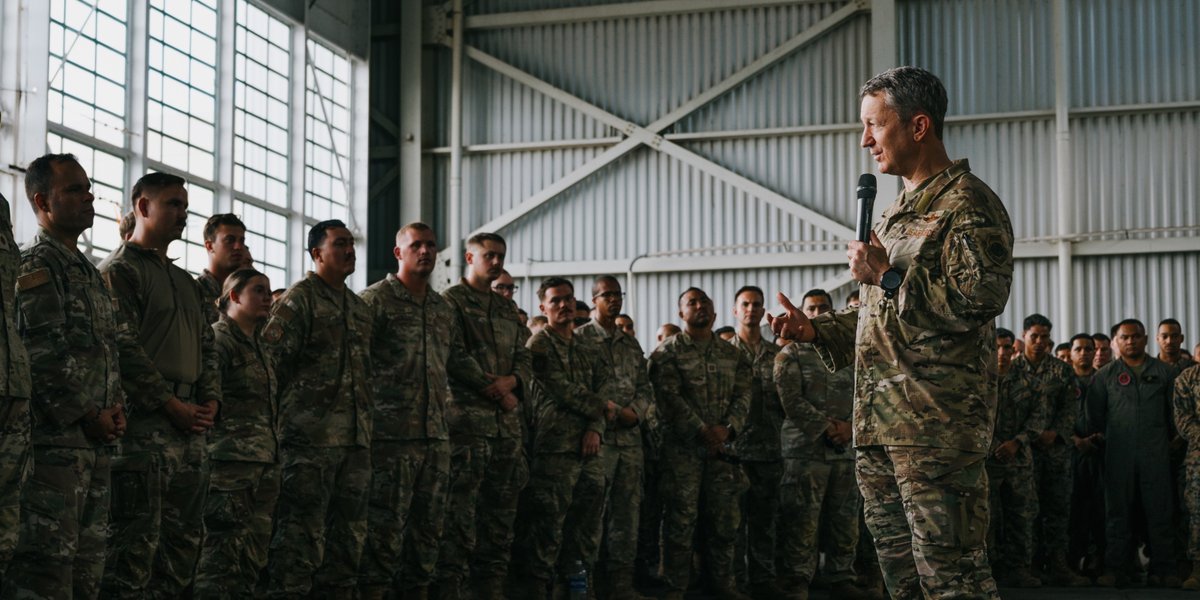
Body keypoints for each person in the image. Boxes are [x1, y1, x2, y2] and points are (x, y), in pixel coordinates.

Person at [768, 66, 1013, 598]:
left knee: (954, 581)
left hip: (936, 432)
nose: (865, 140)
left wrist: (885, 273)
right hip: (880, 430)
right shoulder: (898, 213)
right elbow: (881, 313)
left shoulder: (967, 204)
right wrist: (815, 330)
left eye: (874, 125)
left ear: (918, 126)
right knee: (902, 584)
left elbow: (978, 300)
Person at [98, 172, 220, 598]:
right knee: (132, 553)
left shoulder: (185, 282)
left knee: (182, 553)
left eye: (185, 206)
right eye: (172, 204)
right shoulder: (120, 271)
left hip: (191, 429)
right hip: (146, 430)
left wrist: (210, 401)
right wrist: (168, 402)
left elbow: (208, 345)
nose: (182, 214)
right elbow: (123, 346)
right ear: (143, 208)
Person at [5, 154, 120, 599]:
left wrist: (114, 410)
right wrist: (89, 413)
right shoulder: (36, 265)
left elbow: (107, 351)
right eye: (74, 189)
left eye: (88, 187)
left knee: (88, 572)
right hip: (55, 446)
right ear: (42, 201)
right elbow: (42, 352)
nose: (88, 196)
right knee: (46, 571)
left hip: (95, 444)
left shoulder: (89, 272)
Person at [263, 220, 373, 597]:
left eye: (351, 244)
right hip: (308, 443)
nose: (349, 250)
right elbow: (270, 363)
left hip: (355, 443)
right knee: (299, 542)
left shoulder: (358, 309)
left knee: (348, 543)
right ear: (316, 254)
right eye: (339, 244)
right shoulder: (300, 298)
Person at [359, 223, 456, 599]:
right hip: (390, 438)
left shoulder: (442, 308)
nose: (426, 251)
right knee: (383, 536)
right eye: (416, 245)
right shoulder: (375, 301)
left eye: (431, 245)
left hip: (435, 438)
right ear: (398, 253)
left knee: (428, 535)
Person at [436, 232, 531, 600]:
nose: (496, 261)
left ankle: (490, 591)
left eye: (501, 256)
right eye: (488, 255)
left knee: (500, 519)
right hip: (467, 427)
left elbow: (525, 355)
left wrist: (514, 381)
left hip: (506, 431)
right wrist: (492, 389)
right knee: (459, 518)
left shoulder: (506, 309)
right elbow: (454, 354)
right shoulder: (451, 303)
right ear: (469, 257)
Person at [649, 287, 752, 600]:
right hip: (682, 452)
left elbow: (744, 395)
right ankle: (674, 588)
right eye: (691, 303)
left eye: (704, 301)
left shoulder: (733, 354)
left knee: (724, 522)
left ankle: (722, 585)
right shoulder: (666, 352)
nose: (699, 306)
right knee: (680, 522)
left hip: (723, 452)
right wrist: (701, 430)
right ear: (681, 314)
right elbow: (666, 397)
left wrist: (727, 429)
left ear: (715, 312)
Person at [512, 278, 609, 598]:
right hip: (555, 448)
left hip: (590, 447)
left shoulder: (587, 345)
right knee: (548, 529)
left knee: (586, 528)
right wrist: (606, 409)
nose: (565, 305)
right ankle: (540, 590)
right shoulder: (539, 344)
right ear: (543, 308)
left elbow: (603, 386)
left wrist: (596, 426)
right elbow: (562, 390)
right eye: (556, 301)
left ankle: (579, 588)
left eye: (569, 299)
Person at [774, 289, 868, 600]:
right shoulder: (790, 355)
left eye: (823, 308)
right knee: (802, 521)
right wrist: (828, 427)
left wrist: (851, 429)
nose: (816, 313)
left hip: (845, 452)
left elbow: (866, 395)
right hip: (806, 452)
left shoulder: (850, 353)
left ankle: (841, 577)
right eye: (810, 308)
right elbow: (791, 401)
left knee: (846, 522)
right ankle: (797, 580)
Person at [194, 268, 279, 599]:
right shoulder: (219, 339)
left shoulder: (260, 345)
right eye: (259, 290)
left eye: (269, 291)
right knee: (220, 559)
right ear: (234, 296)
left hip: (262, 464)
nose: (267, 298)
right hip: (229, 467)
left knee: (251, 560)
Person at [574, 276, 652, 600]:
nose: (613, 300)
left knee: (627, 517)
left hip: (630, 443)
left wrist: (636, 411)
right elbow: (577, 389)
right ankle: (585, 587)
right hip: (597, 441)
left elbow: (645, 386)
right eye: (606, 295)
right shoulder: (580, 340)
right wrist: (605, 414)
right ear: (593, 300)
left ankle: (620, 586)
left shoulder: (630, 343)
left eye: (617, 294)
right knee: (590, 517)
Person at [1087, 319, 1180, 587]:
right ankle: (1117, 569)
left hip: (1156, 455)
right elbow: (1095, 416)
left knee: (1160, 513)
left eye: (1136, 336)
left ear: (1146, 338)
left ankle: (1164, 569)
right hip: (1118, 456)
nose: (1131, 342)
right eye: (1125, 337)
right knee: (1117, 514)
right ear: (1116, 341)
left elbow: (1174, 416)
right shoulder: (1104, 376)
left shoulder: (1165, 373)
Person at [1011, 314, 1089, 586]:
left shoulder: (1061, 370)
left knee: (1057, 511)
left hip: (1055, 450)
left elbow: (1070, 407)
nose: (1040, 342)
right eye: (1035, 337)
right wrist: (1026, 436)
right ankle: (1026, 566)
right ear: (1024, 337)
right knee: (1024, 512)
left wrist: (1056, 432)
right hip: (1023, 453)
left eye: (1045, 337)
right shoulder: (1011, 371)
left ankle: (1058, 566)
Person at [727, 285, 787, 598]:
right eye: (745, 304)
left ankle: (763, 581)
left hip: (768, 451)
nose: (751, 309)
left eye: (757, 305)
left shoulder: (777, 355)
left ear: (764, 311)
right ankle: (735, 583)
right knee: (733, 527)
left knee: (765, 524)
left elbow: (788, 403)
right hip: (734, 453)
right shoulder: (725, 354)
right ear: (735, 310)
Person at [986, 328, 1045, 588]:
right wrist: (995, 444)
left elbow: (1038, 418)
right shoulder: (978, 379)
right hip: (986, 461)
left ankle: (1018, 568)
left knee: (1021, 516)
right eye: (997, 347)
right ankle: (986, 569)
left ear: (1014, 349)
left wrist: (1016, 442)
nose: (1002, 353)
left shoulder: (1028, 380)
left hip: (1018, 459)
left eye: (1007, 347)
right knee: (985, 518)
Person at [1066, 333, 1105, 577]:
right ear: (1071, 353)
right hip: (1069, 454)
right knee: (1071, 509)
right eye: (1079, 349)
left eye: (1089, 349)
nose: (1084, 353)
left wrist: (1100, 436)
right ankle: (1071, 559)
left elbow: (1116, 413)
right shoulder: (1062, 379)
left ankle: (1095, 558)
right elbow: (1051, 413)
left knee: (1098, 508)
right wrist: (1074, 440)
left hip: (1099, 453)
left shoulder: (1103, 380)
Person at [196, 214, 249, 326]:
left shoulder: (246, 294)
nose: (239, 247)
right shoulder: (194, 292)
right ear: (210, 246)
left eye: (242, 241)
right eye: (230, 240)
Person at [1174, 363, 1200, 589]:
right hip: (1198, 454)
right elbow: (1182, 417)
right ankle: (1198, 569)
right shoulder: (1188, 378)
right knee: (1197, 513)